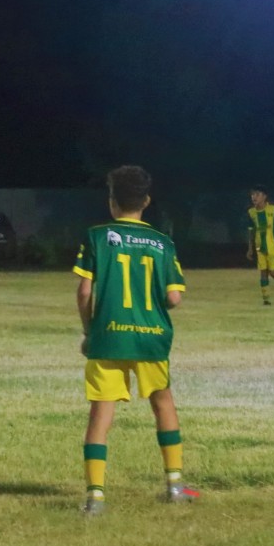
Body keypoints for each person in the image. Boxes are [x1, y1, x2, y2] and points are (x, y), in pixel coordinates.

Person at [73, 165, 198, 516]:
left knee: (100, 414)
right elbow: (174, 298)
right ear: (146, 201)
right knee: (163, 404)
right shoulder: (163, 243)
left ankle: (95, 497)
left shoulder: (97, 236)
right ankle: (175, 485)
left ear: (112, 202)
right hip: (151, 339)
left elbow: (84, 292)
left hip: (108, 338)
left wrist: (89, 332)